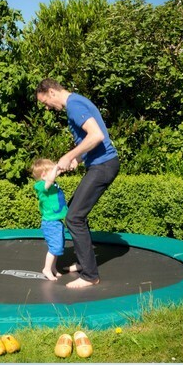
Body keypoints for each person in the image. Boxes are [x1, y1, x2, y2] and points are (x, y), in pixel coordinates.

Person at [35, 78, 119, 288]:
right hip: (99, 164)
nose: (47, 107)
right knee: (74, 211)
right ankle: (84, 263)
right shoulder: (76, 103)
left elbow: (97, 135)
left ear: (52, 92)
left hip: (104, 166)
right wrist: (78, 159)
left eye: (45, 102)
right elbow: (92, 140)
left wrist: (68, 155)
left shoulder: (73, 105)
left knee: (74, 218)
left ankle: (90, 275)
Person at [31, 158, 69, 281]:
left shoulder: (51, 182)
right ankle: (46, 269)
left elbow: (54, 176)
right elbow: (50, 179)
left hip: (56, 221)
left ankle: (53, 268)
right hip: (50, 223)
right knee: (54, 247)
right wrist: (56, 167)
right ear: (43, 175)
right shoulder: (41, 185)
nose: (55, 173)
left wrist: (60, 168)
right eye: (52, 171)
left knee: (58, 246)